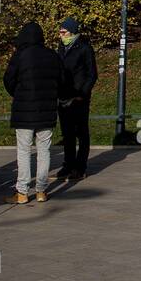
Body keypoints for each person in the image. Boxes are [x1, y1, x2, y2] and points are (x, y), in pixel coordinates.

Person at [3, 22, 66, 204]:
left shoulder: (20, 55)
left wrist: (18, 93)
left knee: (24, 151)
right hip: (47, 110)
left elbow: (8, 80)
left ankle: (22, 192)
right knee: (44, 150)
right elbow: (62, 80)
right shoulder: (52, 55)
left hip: (24, 112)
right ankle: (41, 190)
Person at [56, 17, 98, 181]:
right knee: (67, 133)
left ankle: (80, 167)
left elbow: (92, 74)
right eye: (60, 32)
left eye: (63, 32)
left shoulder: (85, 48)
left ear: (72, 32)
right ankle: (68, 164)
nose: (61, 35)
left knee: (81, 132)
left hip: (79, 97)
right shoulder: (61, 48)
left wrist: (82, 93)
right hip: (63, 96)